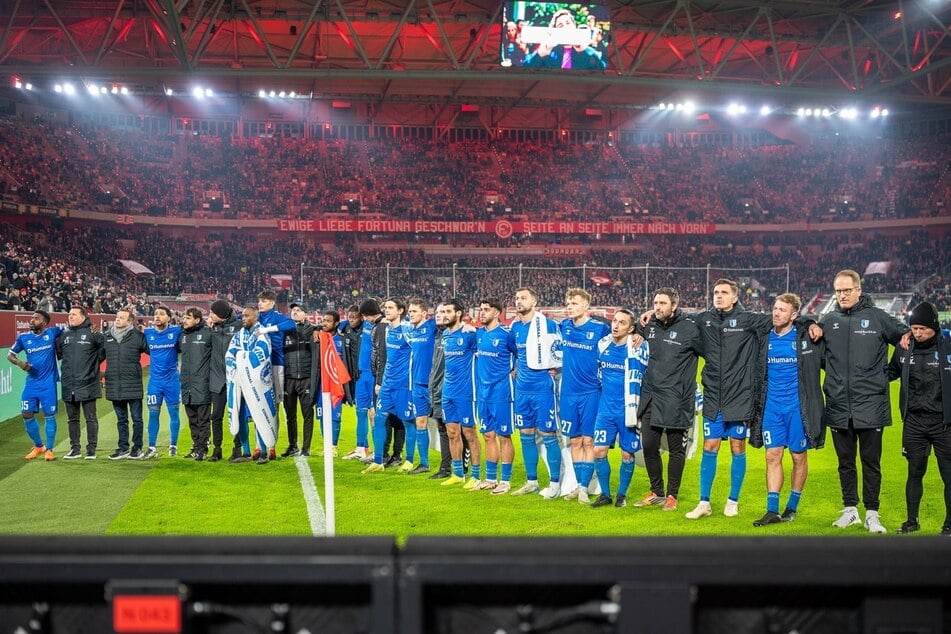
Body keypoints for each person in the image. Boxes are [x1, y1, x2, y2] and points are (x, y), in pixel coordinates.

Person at [821, 269, 909, 533]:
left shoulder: (878, 317)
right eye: (838, 290)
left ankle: (872, 513)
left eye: (847, 290)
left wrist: (887, 374)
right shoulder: (829, 320)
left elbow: (906, 339)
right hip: (838, 404)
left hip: (870, 405)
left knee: (871, 463)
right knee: (845, 463)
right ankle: (850, 510)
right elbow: (820, 355)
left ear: (858, 290)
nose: (842, 295)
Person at [684, 278, 774, 520]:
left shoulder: (748, 320)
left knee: (737, 447)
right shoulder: (705, 319)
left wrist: (809, 321)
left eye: (724, 292)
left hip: (740, 396)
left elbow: (779, 319)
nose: (719, 296)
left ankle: (733, 500)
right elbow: (676, 320)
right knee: (709, 446)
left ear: (735, 297)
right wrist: (649, 315)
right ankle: (704, 502)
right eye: (715, 292)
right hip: (714, 395)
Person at [750, 293, 825, 527]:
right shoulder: (764, 337)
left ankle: (792, 507)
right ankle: (772, 510)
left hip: (796, 408)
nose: (776, 313)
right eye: (774, 308)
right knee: (772, 456)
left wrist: (811, 322)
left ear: (794, 315)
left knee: (797, 456)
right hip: (771, 408)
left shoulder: (803, 337)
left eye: (782, 310)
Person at [633, 288, 702, 512]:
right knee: (649, 446)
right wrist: (638, 326)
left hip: (677, 398)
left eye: (663, 303)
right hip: (652, 395)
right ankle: (657, 492)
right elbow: (634, 327)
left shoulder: (691, 327)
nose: (657, 307)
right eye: (655, 302)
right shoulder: (650, 324)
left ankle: (672, 495)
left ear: (674, 305)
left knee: (675, 450)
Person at [886, 301, 951, 536]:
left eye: (923, 328)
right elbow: (890, 372)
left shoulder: (948, 345)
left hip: (944, 423)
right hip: (913, 422)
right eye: (914, 328)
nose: (918, 333)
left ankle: (949, 524)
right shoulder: (905, 347)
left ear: (934, 326)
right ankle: (911, 520)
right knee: (914, 472)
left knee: (948, 474)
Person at [508, 287, 562, 497]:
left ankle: (555, 484)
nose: (519, 301)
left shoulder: (547, 324)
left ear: (534, 301)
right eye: (517, 298)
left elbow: (560, 348)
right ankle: (532, 482)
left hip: (542, 389)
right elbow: (514, 350)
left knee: (549, 436)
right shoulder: (515, 327)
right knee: (526, 435)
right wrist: (516, 368)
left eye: (523, 298)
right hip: (522, 389)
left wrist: (557, 366)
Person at [559, 288, 611, 503]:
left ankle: (583, 488)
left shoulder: (600, 329)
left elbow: (619, 341)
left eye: (574, 303)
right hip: (568, 393)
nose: (569, 307)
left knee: (589, 441)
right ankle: (580, 486)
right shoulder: (563, 327)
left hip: (591, 393)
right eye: (568, 303)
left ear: (586, 307)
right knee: (575, 440)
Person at [591, 309, 647, 508]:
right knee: (598, 450)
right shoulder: (603, 344)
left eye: (622, 323)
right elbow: (598, 373)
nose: (615, 325)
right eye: (614, 321)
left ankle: (621, 494)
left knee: (627, 454)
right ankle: (605, 494)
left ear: (631, 328)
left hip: (628, 410)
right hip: (605, 410)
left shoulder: (638, 347)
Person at [363, 297, 414, 473]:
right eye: (385, 307)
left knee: (406, 422)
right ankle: (378, 460)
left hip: (403, 385)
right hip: (387, 383)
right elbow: (383, 357)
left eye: (391, 307)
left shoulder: (407, 330)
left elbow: (420, 351)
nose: (386, 310)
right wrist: (380, 381)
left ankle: (409, 460)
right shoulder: (386, 330)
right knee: (378, 419)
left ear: (400, 311)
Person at [226, 306, 279, 464]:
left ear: (255, 317)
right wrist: (237, 365)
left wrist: (242, 359)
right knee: (240, 414)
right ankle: (246, 451)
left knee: (259, 413)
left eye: (247, 316)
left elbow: (262, 353)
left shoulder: (261, 333)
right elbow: (230, 353)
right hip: (240, 381)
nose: (243, 318)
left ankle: (263, 452)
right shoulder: (239, 335)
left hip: (257, 383)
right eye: (242, 315)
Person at [8, 310, 64, 461]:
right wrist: (20, 363)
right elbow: (10, 355)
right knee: (26, 414)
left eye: (36, 318)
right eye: (31, 318)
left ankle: (50, 449)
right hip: (31, 383)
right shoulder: (24, 338)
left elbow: (71, 330)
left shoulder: (53, 333)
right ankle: (39, 446)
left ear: (45, 322)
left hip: (48, 384)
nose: (32, 320)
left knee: (49, 415)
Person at [476, 298, 516, 494]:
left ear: (497, 313)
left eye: (486, 310)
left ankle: (505, 481)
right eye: (480, 310)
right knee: (487, 435)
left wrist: (515, 371)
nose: (481, 313)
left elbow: (521, 355)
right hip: (482, 394)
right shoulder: (479, 334)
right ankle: (491, 478)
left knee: (504, 436)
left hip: (502, 393)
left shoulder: (507, 335)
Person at [440, 299, 480, 487]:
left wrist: (475, 329)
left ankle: (476, 475)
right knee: (452, 432)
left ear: (458, 313)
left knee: (470, 433)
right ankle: (457, 473)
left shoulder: (470, 334)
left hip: (466, 392)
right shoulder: (445, 335)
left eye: (448, 311)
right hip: (448, 392)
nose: (444, 314)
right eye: (443, 311)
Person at [57, 306, 104, 460]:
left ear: (84, 316)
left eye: (74, 314)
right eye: (69, 314)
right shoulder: (64, 336)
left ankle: (91, 450)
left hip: (88, 382)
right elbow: (59, 354)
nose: (71, 316)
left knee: (90, 417)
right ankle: (75, 449)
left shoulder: (93, 334)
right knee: (72, 419)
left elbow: (103, 352)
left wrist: (93, 368)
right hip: (69, 384)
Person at [104, 307, 149, 460]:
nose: (117, 319)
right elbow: (97, 357)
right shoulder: (107, 336)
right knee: (121, 420)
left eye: (122, 318)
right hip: (114, 385)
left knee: (137, 419)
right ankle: (123, 448)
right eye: (117, 317)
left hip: (133, 384)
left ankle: (137, 448)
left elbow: (153, 351)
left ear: (130, 321)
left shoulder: (138, 336)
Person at [402, 298, 437, 474]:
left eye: (414, 311)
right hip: (416, 384)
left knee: (447, 425)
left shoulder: (432, 326)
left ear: (424, 313)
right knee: (420, 422)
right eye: (409, 312)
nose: (410, 314)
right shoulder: (411, 331)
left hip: (433, 384)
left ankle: (458, 464)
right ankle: (424, 463)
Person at [143, 306, 182, 459]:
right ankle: (152, 447)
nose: (157, 317)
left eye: (161, 314)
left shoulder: (176, 332)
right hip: (155, 382)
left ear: (169, 318)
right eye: (155, 314)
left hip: (172, 381)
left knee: (174, 413)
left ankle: (173, 445)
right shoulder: (148, 333)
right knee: (153, 414)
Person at [208, 300, 241, 462]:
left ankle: (237, 447)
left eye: (213, 313)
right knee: (216, 415)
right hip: (217, 379)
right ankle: (217, 448)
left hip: (235, 379)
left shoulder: (240, 327)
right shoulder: (211, 330)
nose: (210, 315)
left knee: (236, 414)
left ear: (221, 314)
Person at [178, 307, 213, 461]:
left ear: (197, 320)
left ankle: (203, 448)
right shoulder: (183, 336)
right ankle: (196, 446)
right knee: (192, 419)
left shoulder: (207, 334)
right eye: (184, 317)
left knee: (203, 419)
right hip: (187, 385)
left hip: (202, 384)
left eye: (188, 318)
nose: (184, 320)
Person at [521, 8, 607, 70]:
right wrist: (539, 54)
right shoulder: (549, 51)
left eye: (568, 23)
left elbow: (602, 69)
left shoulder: (587, 50)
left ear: (574, 26)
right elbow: (524, 69)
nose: (565, 27)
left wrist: (585, 52)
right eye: (560, 25)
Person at [282, 303, 315, 458]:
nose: (294, 312)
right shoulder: (286, 332)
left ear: (305, 314)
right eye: (293, 310)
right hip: (289, 379)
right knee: (290, 415)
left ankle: (306, 448)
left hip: (306, 378)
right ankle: (292, 445)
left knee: (307, 414)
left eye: (298, 310)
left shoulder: (313, 330)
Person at [340, 305, 372, 461]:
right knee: (360, 413)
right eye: (349, 317)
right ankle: (361, 448)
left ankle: (379, 452)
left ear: (362, 317)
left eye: (354, 317)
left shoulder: (370, 327)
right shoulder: (347, 329)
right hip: (357, 377)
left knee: (374, 415)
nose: (351, 319)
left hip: (372, 376)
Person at [313, 309, 347, 456]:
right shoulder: (318, 338)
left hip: (336, 383)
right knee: (322, 414)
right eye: (323, 320)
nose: (324, 323)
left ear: (336, 323)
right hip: (321, 383)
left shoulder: (342, 340)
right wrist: (316, 329)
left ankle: (333, 446)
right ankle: (326, 445)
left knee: (334, 415)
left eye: (328, 321)